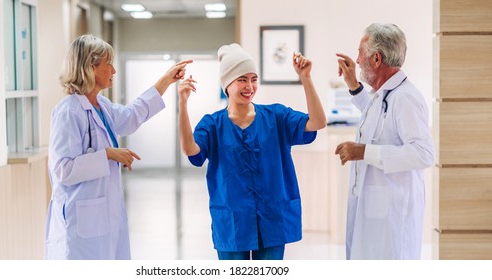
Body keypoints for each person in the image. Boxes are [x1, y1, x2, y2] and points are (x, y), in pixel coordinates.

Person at [45, 34, 192, 259]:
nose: (113, 71)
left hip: (103, 217)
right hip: (80, 222)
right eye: (108, 64)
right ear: (92, 68)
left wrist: (165, 80)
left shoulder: (101, 105)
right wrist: (108, 155)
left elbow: (132, 116)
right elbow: (62, 169)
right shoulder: (68, 111)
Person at [178, 43, 326, 260]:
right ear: (227, 84)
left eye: (253, 79)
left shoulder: (276, 116)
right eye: (242, 79)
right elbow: (190, 149)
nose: (250, 86)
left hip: (272, 218)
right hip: (232, 221)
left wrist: (306, 78)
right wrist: (182, 104)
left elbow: (318, 122)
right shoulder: (212, 124)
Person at [334, 23, 435, 259]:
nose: (357, 61)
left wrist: (363, 152)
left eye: (361, 53)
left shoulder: (406, 98)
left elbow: (424, 153)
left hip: (392, 217)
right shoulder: (385, 96)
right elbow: (376, 119)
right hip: (375, 212)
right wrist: (352, 85)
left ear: (376, 59)